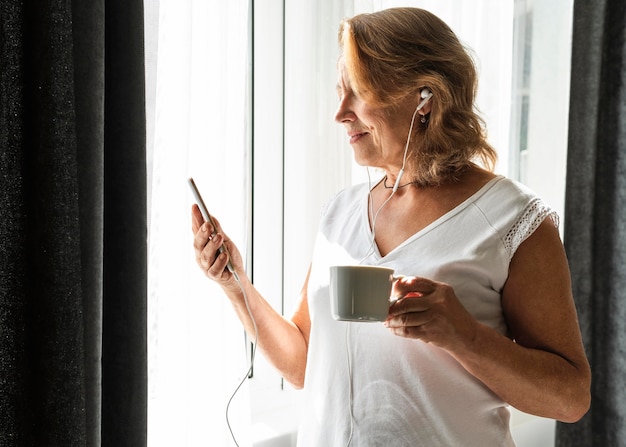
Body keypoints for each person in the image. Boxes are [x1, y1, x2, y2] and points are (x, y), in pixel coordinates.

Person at [192, 7, 591, 446]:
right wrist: (236, 285)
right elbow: (304, 364)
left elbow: (569, 398)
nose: (340, 113)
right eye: (339, 93)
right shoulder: (340, 213)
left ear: (425, 97)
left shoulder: (512, 219)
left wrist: (463, 335)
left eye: (358, 92)